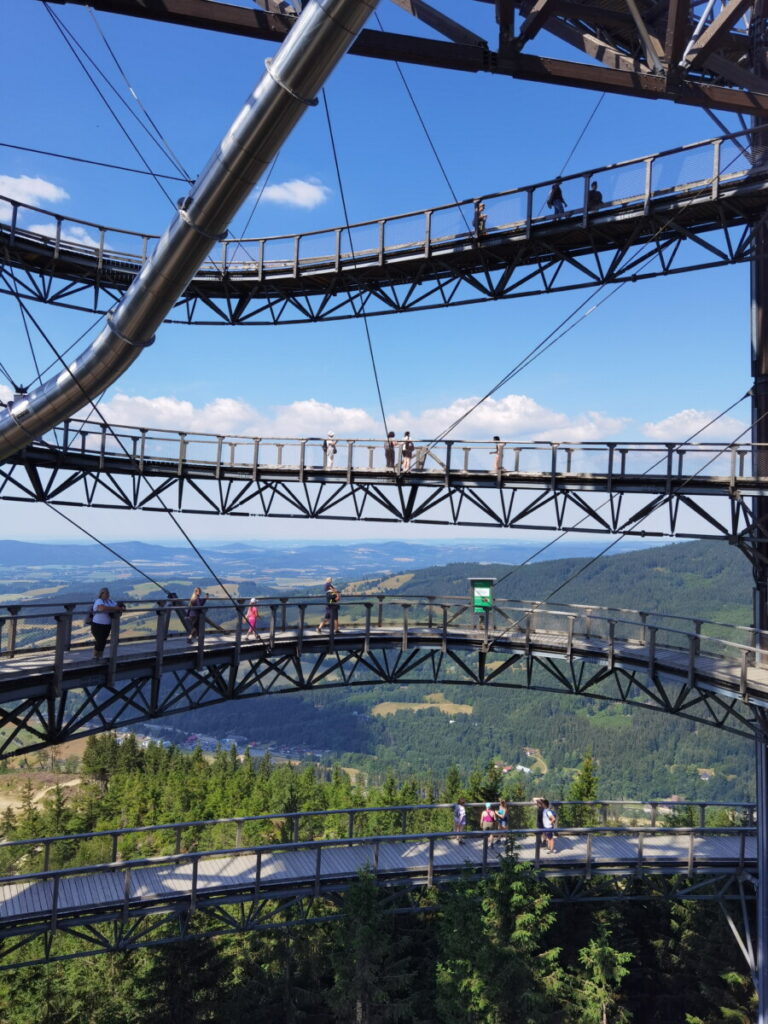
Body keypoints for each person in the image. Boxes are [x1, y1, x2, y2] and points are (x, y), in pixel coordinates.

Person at [91, 587, 122, 659]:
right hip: (97, 625)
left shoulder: (110, 601)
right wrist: (115, 608)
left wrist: (120, 607)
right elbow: (102, 608)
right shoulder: (99, 601)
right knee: (100, 641)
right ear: (101, 594)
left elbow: (119, 607)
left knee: (103, 641)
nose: (108, 594)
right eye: (106, 593)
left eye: (108, 593)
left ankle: (99, 657)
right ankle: (95, 657)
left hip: (107, 625)